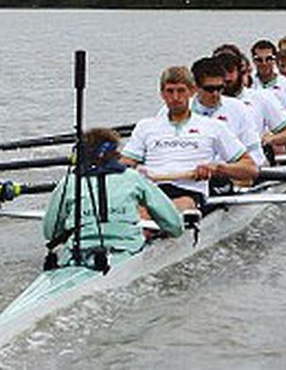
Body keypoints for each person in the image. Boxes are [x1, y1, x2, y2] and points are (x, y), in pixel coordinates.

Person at [121, 65, 258, 212]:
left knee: (163, 210)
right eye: (170, 91)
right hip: (152, 191)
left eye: (181, 91)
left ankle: (147, 227)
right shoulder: (146, 126)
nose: (175, 97)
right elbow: (125, 162)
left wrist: (218, 168)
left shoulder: (213, 127)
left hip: (189, 193)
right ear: (162, 94)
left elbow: (250, 169)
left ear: (192, 92)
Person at [43, 128, 184, 266]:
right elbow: (175, 225)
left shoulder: (68, 183)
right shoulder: (133, 178)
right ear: (115, 153)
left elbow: (51, 233)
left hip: (78, 252)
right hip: (127, 250)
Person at [190, 56, 266, 170]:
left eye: (220, 88)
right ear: (195, 87)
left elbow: (256, 156)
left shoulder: (238, 109)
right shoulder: (173, 110)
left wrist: (226, 170)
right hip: (188, 177)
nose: (215, 94)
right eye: (209, 89)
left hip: (227, 177)